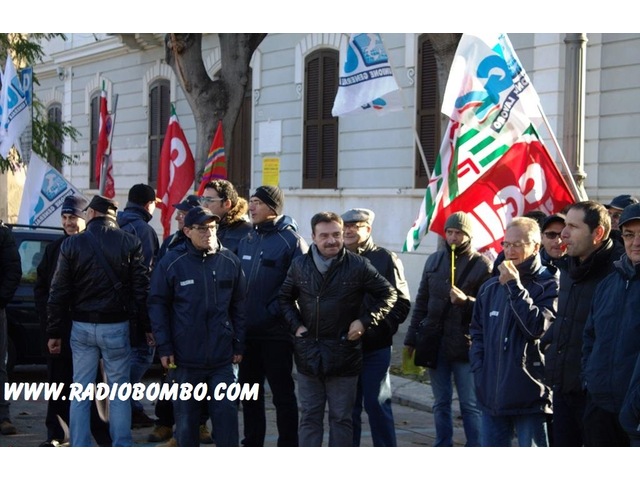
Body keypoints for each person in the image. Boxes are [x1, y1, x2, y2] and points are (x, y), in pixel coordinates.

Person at [279, 211, 397, 447]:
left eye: (336, 234)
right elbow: (284, 298)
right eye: (324, 236)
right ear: (313, 237)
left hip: (344, 354)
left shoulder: (358, 265)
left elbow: (389, 294)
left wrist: (364, 321)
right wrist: (296, 326)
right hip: (309, 354)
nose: (331, 240)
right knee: (310, 417)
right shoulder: (300, 265)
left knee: (342, 418)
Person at [47, 195, 150, 446]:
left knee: (80, 390)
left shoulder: (72, 244)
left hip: (81, 325)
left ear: (91, 213)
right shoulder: (130, 242)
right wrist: (147, 328)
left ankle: (80, 445)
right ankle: (121, 444)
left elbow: (58, 291)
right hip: (116, 325)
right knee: (119, 391)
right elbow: (141, 290)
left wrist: (54, 331)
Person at [148, 206, 247, 447]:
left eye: (212, 227)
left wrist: (238, 343)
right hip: (184, 360)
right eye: (202, 228)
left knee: (226, 417)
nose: (209, 233)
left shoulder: (230, 261)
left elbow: (240, 306)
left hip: (222, 358)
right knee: (186, 422)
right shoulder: (172, 262)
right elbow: (158, 306)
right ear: (187, 231)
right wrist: (165, 347)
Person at [404, 211, 492, 447]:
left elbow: (488, 307)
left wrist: (466, 302)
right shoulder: (433, 260)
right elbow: (421, 302)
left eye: (459, 233)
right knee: (440, 402)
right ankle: (443, 444)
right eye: (449, 232)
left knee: (470, 404)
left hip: (465, 345)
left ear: (468, 236)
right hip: (435, 342)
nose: (453, 237)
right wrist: (411, 339)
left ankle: (476, 446)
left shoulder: (482, 264)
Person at [470, 217, 558, 447]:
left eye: (517, 244)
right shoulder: (490, 287)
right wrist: (479, 369)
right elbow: (477, 333)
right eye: (506, 244)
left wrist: (514, 286)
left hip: (530, 395)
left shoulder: (549, 284)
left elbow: (536, 328)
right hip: (491, 394)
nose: (510, 251)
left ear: (535, 247)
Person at [543, 201, 623, 446]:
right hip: (563, 388)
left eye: (573, 227)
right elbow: (566, 320)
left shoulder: (619, 273)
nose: (563, 234)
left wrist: (592, 381)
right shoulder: (568, 266)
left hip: (598, 398)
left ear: (597, 233)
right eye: (565, 225)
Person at [34, 195, 112, 447]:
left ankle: (103, 435)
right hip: (59, 330)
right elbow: (41, 289)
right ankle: (58, 433)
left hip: (88, 328)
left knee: (95, 386)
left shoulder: (95, 246)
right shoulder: (53, 249)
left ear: (85, 218)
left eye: (73, 217)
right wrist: (49, 321)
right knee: (58, 383)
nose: (68, 222)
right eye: (65, 217)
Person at [236, 185, 308, 447]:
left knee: (282, 395)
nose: (251, 207)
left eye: (257, 202)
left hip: (276, 333)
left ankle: (288, 445)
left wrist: (271, 313)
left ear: (273, 207)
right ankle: (252, 443)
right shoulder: (247, 238)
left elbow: (300, 287)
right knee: (249, 394)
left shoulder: (292, 241)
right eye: (251, 201)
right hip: (247, 333)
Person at [341, 208, 411, 447]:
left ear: (368, 229)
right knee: (347, 410)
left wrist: (374, 329)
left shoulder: (385, 258)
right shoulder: (336, 258)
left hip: (375, 349)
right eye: (346, 226)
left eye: (355, 226)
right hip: (345, 348)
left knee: (377, 405)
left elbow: (401, 303)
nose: (349, 231)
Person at [581, 202, 640, 447]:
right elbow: (590, 338)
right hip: (601, 409)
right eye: (629, 235)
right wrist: (590, 380)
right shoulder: (607, 284)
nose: (636, 242)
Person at [117, 183, 160, 429]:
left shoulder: (116, 223)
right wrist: (147, 318)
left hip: (115, 305)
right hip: (137, 305)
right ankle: (125, 403)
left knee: (125, 357)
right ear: (148, 204)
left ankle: (129, 406)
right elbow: (145, 275)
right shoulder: (143, 230)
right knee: (143, 354)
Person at [0, 219, 22, 436]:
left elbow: (13, 271)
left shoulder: (2, 234)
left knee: (0, 366)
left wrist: (1, 300)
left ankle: (2, 416)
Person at [199, 179, 252, 255]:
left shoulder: (247, 232)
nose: (204, 205)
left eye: (209, 200)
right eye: (203, 199)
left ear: (227, 204)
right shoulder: (200, 227)